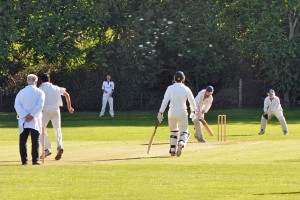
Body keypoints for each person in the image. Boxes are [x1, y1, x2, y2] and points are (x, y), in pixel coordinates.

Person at [157, 71, 196, 157]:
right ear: (183, 79)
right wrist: (193, 111)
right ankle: (181, 142)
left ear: (174, 79)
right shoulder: (186, 89)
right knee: (184, 131)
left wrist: (160, 112)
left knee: (173, 131)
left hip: (171, 112)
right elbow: (192, 101)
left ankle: (172, 151)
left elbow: (165, 101)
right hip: (182, 111)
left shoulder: (170, 88)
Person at [39, 73, 74, 160]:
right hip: (56, 110)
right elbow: (67, 95)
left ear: (41, 80)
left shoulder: (40, 88)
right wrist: (69, 107)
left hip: (45, 111)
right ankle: (60, 146)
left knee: (40, 129)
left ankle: (46, 149)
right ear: (49, 79)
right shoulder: (55, 87)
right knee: (57, 129)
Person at [14, 74, 45, 165]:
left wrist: (25, 115)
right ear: (36, 81)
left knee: (23, 140)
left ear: (27, 81)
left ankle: (24, 161)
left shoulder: (21, 92)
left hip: (24, 119)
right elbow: (40, 105)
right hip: (35, 118)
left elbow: (17, 105)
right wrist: (31, 115)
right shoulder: (40, 92)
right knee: (35, 140)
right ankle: (35, 160)